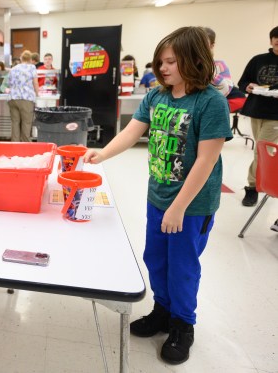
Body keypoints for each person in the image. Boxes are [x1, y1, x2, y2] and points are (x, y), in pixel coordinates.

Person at [84, 27, 232, 365]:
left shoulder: (211, 102)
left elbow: (207, 160)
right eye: (160, 61)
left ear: (195, 60)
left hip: (191, 205)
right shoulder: (156, 96)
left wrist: (179, 207)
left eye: (170, 62)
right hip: (158, 197)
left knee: (182, 267)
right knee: (156, 259)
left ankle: (183, 324)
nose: (162, 68)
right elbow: (132, 131)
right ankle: (162, 311)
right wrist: (102, 154)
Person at [237, 25, 278, 207]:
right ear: (271, 41)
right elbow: (242, 82)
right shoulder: (258, 60)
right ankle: (259, 184)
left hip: (275, 114)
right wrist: (248, 86)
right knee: (261, 150)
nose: (277, 41)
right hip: (256, 110)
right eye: (275, 38)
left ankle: (253, 187)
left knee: (260, 149)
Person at [7, 50, 39, 142]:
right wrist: (38, 94)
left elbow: (9, 84)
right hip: (26, 98)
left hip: (13, 99)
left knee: (15, 123)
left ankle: (15, 145)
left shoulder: (13, 68)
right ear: (30, 59)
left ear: (21, 58)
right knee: (26, 123)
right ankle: (25, 146)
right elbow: (35, 83)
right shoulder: (32, 67)